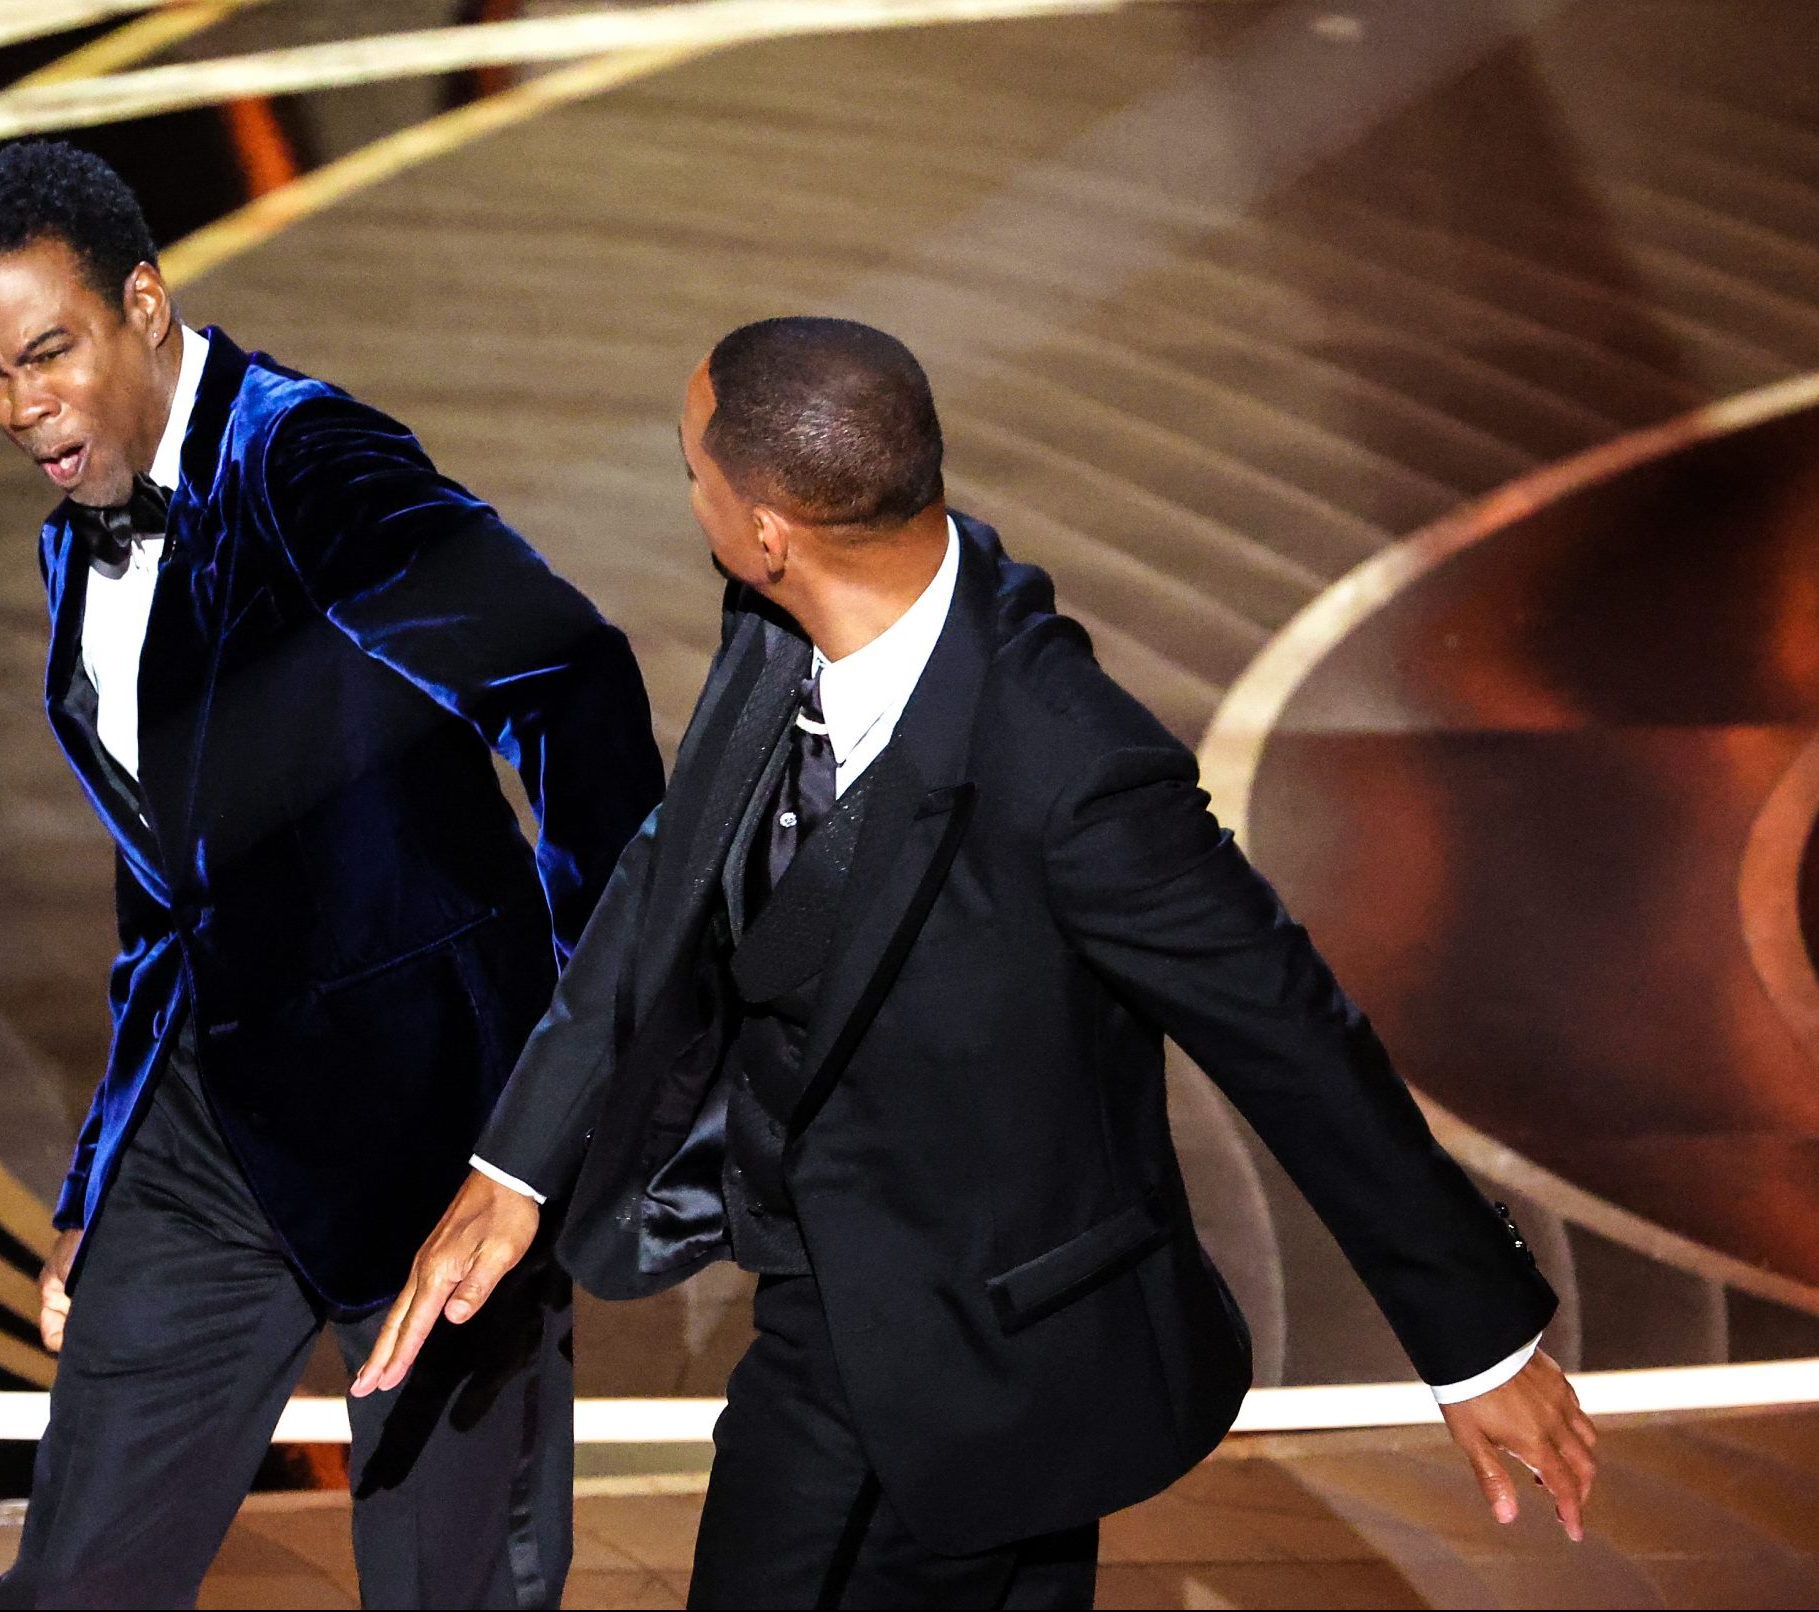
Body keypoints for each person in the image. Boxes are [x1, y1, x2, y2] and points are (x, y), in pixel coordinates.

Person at [354, 317, 1599, 1609]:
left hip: (997, 1347)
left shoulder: (1075, 769)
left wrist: (1479, 1343)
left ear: (770, 532)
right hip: (837, 1306)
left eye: (692, 473)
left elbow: (1292, 1034)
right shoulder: (776, 621)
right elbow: (678, 862)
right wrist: (518, 1164)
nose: (690, 498)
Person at [0, 140, 663, 1609]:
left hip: (432, 1147)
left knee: (453, 1596)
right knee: (75, 1587)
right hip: (211, 1134)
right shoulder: (76, 542)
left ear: (143, 302)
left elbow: (575, 687)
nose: (19, 407)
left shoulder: (311, 465)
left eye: (48, 353)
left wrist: (561, 1088)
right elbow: (169, 884)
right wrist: (102, 1173)